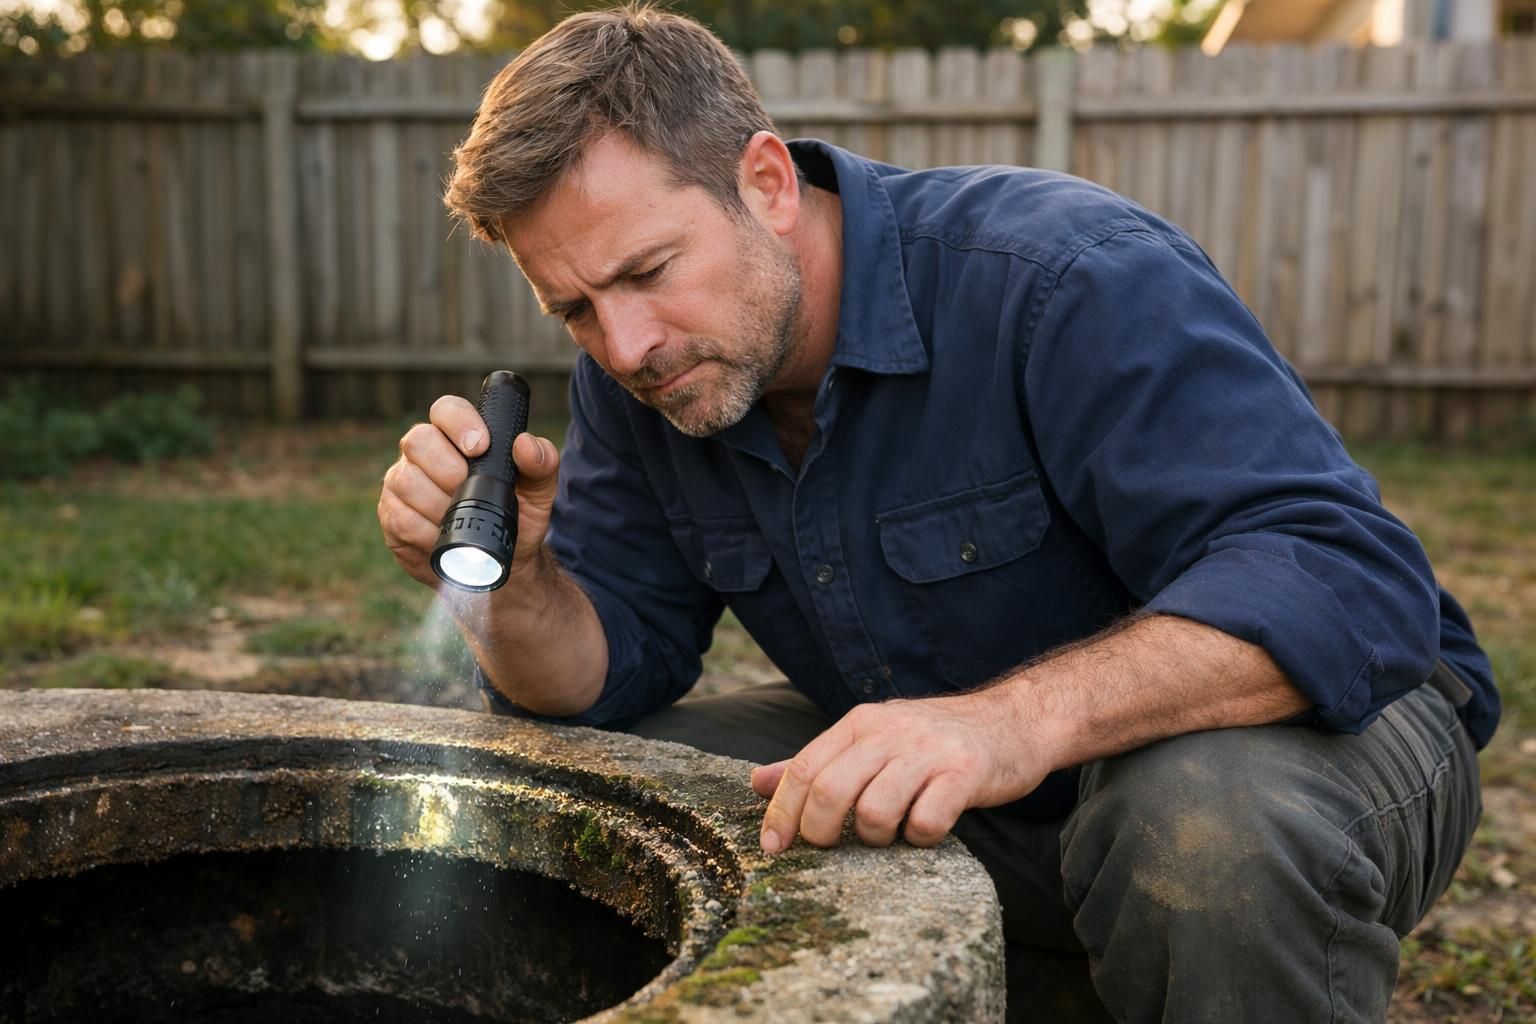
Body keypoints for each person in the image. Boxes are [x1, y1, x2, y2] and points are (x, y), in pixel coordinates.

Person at [376, 6, 1498, 1020]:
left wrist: (1003, 723)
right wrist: (520, 586)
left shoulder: (1062, 276)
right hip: (1001, 795)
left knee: (1198, 823)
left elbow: (1344, 581)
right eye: (574, 309)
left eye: (649, 270)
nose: (625, 346)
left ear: (766, 183)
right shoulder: (643, 378)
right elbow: (604, 670)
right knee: (596, 789)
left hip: (1319, 744)